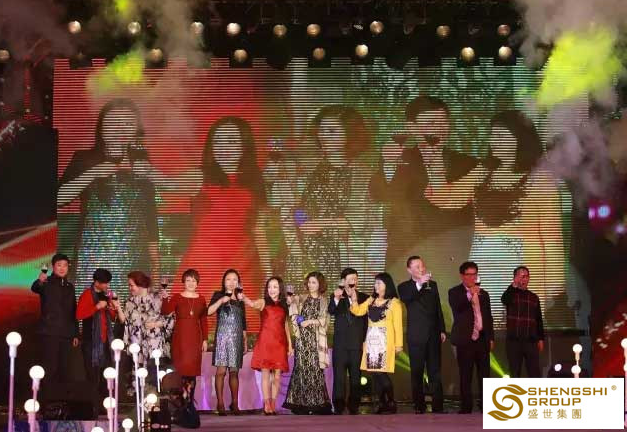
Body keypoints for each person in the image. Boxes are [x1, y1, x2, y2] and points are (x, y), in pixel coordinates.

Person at [370, 96, 489, 295]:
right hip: (404, 258)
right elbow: (377, 194)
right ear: (412, 127)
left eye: (443, 122)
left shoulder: (467, 164)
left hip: (448, 259)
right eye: (431, 123)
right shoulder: (397, 158)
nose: (439, 129)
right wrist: (389, 165)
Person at [176, 116, 267, 332]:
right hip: (204, 262)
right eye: (217, 141)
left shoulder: (255, 182)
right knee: (195, 324)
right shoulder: (199, 177)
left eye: (232, 141)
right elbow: (166, 183)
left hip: (243, 263)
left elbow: (260, 230)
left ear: (244, 145)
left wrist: (268, 274)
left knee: (244, 327)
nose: (224, 147)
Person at [470, 110, 565, 318]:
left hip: (521, 267)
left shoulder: (541, 180)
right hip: (484, 267)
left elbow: (551, 239)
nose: (494, 141)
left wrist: (554, 288)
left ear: (520, 139)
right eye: (492, 135)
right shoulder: (482, 174)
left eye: (501, 135)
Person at [58, 98, 159, 290]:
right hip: (92, 254)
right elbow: (59, 198)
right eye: (114, 121)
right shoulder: (84, 158)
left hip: (134, 256)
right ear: (101, 126)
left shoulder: (141, 163)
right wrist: (93, 173)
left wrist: (156, 264)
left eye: (128, 123)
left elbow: (150, 215)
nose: (121, 128)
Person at [285, 105, 378, 286]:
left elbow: (361, 219)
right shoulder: (309, 169)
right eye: (322, 130)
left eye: (332, 131)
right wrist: (300, 221)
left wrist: (320, 224)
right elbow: (296, 206)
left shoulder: (362, 173)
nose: (324, 136)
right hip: (301, 252)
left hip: (340, 254)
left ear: (350, 134)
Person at [397, 256, 446, 414]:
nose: (421, 269)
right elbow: (407, 298)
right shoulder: (404, 287)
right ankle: (419, 405)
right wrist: (419, 284)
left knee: (435, 371)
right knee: (417, 371)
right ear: (409, 270)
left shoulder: (432, 285)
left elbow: (437, 308)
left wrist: (442, 329)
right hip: (416, 336)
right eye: (417, 267)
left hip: (433, 334)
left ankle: (438, 406)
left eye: (422, 266)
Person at [350, 272, 403, 414]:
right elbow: (358, 311)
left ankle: (391, 401)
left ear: (387, 285)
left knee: (381, 373)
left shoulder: (394, 303)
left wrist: (399, 345)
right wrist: (354, 300)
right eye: (375, 283)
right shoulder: (371, 300)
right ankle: (382, 403)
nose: (376, 286)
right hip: (372, 342)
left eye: (379, 283)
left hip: (385, 341)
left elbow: (398, 326)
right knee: (374, 373)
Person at [116, 271, 174, 394]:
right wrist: (118, 307)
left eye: (132, 285)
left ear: (140, 284)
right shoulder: (129, 302)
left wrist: (155, 324)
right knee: (138, 377)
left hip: (153, 345)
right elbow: (123, 320)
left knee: (153, 377)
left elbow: (170, 319)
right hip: (137, 345)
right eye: (129, 285)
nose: (130, 288)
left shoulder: (157, 299)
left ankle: (155, 400)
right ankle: (139, 400)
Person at [242, 276, 294, 415]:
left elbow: (285, 326)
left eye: (275, 287)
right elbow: (252, 304)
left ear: (280, 289)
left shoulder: (284, 305)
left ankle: (273, 403)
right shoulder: (263, 302)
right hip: (265, 342)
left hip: (279, 343)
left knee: (277, 376)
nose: (272, 290)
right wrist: (244, 298)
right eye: (269, 287)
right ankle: (266, 404)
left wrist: (290, 345)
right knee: (265, 375)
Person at [448, 262, 494, 414]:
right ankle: (466, 406)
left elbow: (488, 317)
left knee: (484, 374)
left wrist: (491, 338)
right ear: (462, 276)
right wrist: (469, 294)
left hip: (482, 339)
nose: (472, 278)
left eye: (475, 274)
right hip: (465, 339)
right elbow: (457, 307)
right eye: (469, 274)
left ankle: (485, 405)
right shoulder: (454, 292)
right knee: (465, 374)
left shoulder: (484, 294)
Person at [283, 271, 332, 414]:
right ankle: (300, 405)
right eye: (309, 282)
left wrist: (309, 321)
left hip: (315, 340)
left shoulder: (324, 300)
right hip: (302, 340)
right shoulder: (302, 297)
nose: (311, 285)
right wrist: (290, 301)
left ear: (320, 284)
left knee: (315, 370)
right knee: (301, 369)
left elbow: (324, 321)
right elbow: (292, 309)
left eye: (314, 282)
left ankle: (316, 404)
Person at [30, 253, 79, 384]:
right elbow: (35, 288)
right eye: (59, 265)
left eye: (65, 265)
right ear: (53, 267)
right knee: (49, 367)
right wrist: (40, 280)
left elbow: (73, 310)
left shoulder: (70, 287)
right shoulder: (46, 282)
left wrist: (75, 333)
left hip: (66, 334)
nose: (62, 268)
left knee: (65, 369)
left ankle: (62, 395)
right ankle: (46, 395)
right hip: (49, 332)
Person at [76, 268, 118, 419]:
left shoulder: (106, 295)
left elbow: (112, 317)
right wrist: (96, 307)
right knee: (93, 377)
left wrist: (112, 307)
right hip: (91, 343)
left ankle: (104, 408)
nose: (107, 285)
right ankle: (92, 409)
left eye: (108, 283)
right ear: (96, 282)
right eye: (105, 283)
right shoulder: (87, 294)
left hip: (105, 342)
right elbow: (79, 315)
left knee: (105, 377)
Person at [162, 269, 208, 403]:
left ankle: (190, 402)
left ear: (197, 283)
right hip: (180, 338)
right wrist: (165, 298)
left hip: (195, 339)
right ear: (183, 282)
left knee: (192, 372)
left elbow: (203, 321)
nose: (191, 283)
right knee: (181, 371)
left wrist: (205, 339)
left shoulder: (201, 299)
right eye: (188, 280)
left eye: (194, 280)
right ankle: (180, 403)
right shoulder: (177, 297)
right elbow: (165, 311)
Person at [207, 269, 248, 415]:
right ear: (224, 281)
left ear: (238, 282)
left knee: (234, 372)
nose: (231, 282)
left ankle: (235, 404)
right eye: (228, 279)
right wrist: (221, 301)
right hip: (222, 337)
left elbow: (243, 322)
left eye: (235, 279)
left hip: (236, 338)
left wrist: (245, 341)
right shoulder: (218, 295)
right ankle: (220, 403)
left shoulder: (240, 298)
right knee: (221, 372)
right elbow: (208, 312)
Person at [328, 267, 368, 415]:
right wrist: (336, 298)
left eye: (355, 279)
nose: (353, 282)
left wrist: (365, 340)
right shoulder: (337, 296)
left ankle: (354, 405)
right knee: (339, 376)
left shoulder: (364, 297)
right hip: (341, 344)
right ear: (343, 281)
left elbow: (366, 321)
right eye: (350, 279)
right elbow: (331, 310)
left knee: (356, 376)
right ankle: (338, 405)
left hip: (357, 343)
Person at [501, 266, 545, 378]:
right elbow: (504, 299)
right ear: (515, 278)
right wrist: (513, 285)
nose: (524, 279)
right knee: (514, 373)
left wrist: (540, 338)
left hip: (531, 341)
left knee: (534, 373)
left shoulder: (534, 297)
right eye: (521, 276)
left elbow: (538, 319)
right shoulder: (511, 294)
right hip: (514, 341)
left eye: (526, 276)